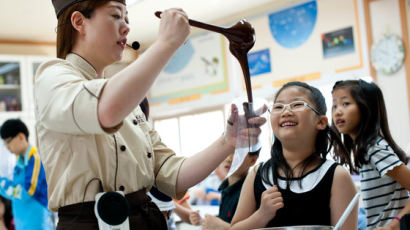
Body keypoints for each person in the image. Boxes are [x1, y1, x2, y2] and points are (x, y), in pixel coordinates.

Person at [35, 1, 266, 229]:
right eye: (116, 16)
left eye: (127, 19)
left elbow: (173, 175)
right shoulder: (52, 77)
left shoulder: (128, 102)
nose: (126, 27)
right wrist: (165, 43)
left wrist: (228, 141)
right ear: (78, 21)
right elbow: (105, 111)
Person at [230, 81, 358, 229]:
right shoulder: (258, 174)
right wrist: (261, 216)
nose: (286, 112)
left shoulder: (337, 176)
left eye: (297, 105)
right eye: (278, 107)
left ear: (321, 122)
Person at [331, 80, 410, 230]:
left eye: (346, 103)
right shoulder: (365, 150)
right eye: (334, 105)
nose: (337, 111)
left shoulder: (374, 149)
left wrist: (394, 224)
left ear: (366, 108)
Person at [0, 119, 53, 230]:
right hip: (22, 224)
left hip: (36, 224)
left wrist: (3, 183)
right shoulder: (19, 163)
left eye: (8, 141)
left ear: (21, 136)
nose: (7, 147)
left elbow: (27, 192)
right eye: (5, 144)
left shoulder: (35, 159)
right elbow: (14, 193)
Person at [200, 150, 260, 230]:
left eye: (238, 153)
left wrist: (221, 226)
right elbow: (227, 219)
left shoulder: (252, 191)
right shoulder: (225, 187)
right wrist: (208, 221)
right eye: (226, 150)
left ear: (252, 160)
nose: (229, 158)